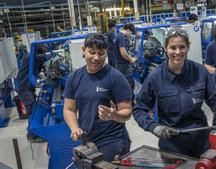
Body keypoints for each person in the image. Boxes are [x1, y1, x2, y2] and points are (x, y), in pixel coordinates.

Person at [133, 27, 216, 158]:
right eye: (172, 47)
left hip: (201, 140)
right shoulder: (155, 77)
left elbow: (214, 99)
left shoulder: (199, 70)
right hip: (172, 144)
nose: (177, 52)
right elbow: (139, 110)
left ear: (188, 47)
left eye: (182, 47)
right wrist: (154, 127)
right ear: (166, 48)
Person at [63, 33, 132, 162]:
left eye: (101, 53)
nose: (96, 57)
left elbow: (127, 111)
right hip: (88, 141)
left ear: (106, 53)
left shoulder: (115, 77)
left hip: (113, 140)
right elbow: (69, 109)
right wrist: (74, 128)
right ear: (84, 51)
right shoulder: (74, 78)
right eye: (92, 52)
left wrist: (114, 115)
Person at [16, 44, 50, 141]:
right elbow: (46, 57)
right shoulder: (30, 57)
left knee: (34, 109)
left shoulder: (32, 57)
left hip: (28, 88)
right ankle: (32, 135)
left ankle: (34, 131)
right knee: (31, 110)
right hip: (23, 88)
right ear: (38, 52)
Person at [114, 23, 136, 97]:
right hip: (124, 66)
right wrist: (131, 60)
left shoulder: (118, 35)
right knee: (129, 85)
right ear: (128, 30)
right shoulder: (121, 37)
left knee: (124, 83)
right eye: (131, 33)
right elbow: (123, 53)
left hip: (119, 64)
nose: (130, 35)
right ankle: (131, 103)